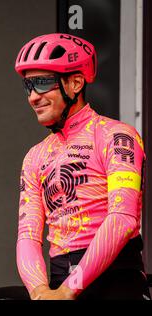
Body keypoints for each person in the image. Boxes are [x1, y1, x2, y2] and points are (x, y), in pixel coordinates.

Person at [14, 33, 150, 300]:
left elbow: (123, 218)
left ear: (75, 83)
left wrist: (69, 290)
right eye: (28, 86)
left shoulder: (117, 136)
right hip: (58, 281)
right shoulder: (35, 156)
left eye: (42, 83)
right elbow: (28, 234)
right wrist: (40, 292)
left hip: (115, 280)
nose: (33, 97)